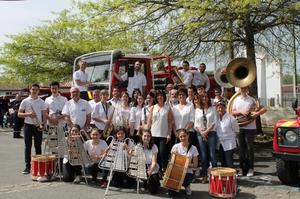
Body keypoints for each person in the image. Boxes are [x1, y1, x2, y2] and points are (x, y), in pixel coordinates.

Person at [231, 86, 267, 176]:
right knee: (241, 149)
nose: (243, 90)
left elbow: (264, 109)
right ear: (239, 89)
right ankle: (241, 167)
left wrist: (257, 113)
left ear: (247, 89)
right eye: (241, 88)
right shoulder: (235, 100)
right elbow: (232, 112)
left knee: (250, 148)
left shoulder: (252, 100)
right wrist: (241, 112)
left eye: (244, 88)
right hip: (239, 126)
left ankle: (251, 168)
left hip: (250, 127)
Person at [18, 84, 47, 174]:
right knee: (27, 147)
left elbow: (44, 115)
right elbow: (19, 114)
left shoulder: (42, 102)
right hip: (28, 126)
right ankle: (27, 167)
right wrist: (28, 114)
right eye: (33, 89)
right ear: (30, 90)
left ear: (38, 91)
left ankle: (38, 166)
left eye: (36, 90)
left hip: (38, 125)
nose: (34, 91)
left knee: (38, 146)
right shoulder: (25, 101)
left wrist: (44, 125)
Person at [194, 93, 218, 183]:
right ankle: (204, 175)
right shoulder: (197, 110)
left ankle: (215, 176)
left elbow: (215, 122)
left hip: (211, 133)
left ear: (208, 98)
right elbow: (196, 124)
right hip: (200, 134)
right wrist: (202, 132)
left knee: (212, 155)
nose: (204, 98)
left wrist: (206, 131)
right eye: (202, 97)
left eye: (206, 96)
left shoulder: (213, 109)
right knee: (203, 156)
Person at [147, 90, 172, 172]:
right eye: (158, 96)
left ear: (164, 97)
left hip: (163, 135)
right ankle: (155, 170)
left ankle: (163, 169)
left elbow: (170, 122)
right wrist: (147, 133)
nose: (159, 97)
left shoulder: (168, 108)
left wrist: (169, 134)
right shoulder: (153, 107)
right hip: (153, 134)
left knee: (162, 153)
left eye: (161, 95)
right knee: (154, 153)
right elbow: (149, 122)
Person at [168, 129, 198, 197]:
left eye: (184, 136)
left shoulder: (194, 148)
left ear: (188, 135)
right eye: (181, 137)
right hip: (176, 172)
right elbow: (171, 161)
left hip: (187, 172)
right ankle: (176, 186)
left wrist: (182, 164)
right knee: (171, 194)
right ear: (179, 137)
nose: (183, 138)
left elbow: (195, 165)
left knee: (186, 181)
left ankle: (187, 186)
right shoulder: (175, 147)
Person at [215, 100, 239, 168]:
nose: (220, 109)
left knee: (229, 162)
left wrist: (232, 139)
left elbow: (236, 130)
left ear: (225, 108)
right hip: (219, 143)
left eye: (222, 107)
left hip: (229, 143)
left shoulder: (231, 118)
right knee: (222, 162)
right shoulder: (216, 118)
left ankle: (232, 177)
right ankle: (225, 177)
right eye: (218, 108)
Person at [140, 129, 160, 194]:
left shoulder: (154, 146)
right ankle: (145, 182)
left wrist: (150, 171)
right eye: (145, 136)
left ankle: (155, 180)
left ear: (150, 137)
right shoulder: (139, 145)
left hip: (152, 166)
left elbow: (154, 162)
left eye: (148, 136)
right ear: (142, 136)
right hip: (142, 166)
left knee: (153, 191)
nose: (146, 138)